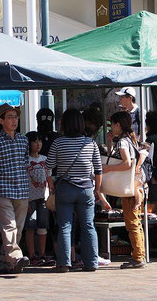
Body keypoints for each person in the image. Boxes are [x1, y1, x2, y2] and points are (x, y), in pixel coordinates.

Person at [46, 109, 102, 273]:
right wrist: (97, 190)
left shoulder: (58, 143)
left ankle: (64, 263)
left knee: (64, 226)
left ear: (65, 124)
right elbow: (98, 170)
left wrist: (51, 186)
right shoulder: (90, 143)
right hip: (86, 189)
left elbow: (48, 167)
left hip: (65, 189)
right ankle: (91, 262)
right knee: (88, 226)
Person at [0, 104, 30, 274]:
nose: (14, 120)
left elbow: (25, 162)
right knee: (8, 225)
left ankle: (7, 260)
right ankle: (16, 256)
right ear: (1, 121)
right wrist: (3, 176)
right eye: (10, 117)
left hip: (22, 189)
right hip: (3, 189)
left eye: (16, 117)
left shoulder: (23, 140)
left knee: (17, 227)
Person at [102, 111, 146, 269]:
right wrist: (109, 144)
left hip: (129, 187)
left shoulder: (123, 142)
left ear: (118, 125)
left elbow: (127, 164)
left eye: (112, 124)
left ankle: (138, 256)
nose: (111, 127)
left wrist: (107, 168)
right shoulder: (131, 139)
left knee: (132, 223)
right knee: (137, 223)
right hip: (137, 186)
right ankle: (139, 254)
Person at [24, 131, 55, 266]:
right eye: (35, 141)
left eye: (40, 141)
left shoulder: (44, 159)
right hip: (29, 198)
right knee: (30, 226)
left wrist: (52, 193)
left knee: (43, 226)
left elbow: (49, 178)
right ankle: (32, 255)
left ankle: (42, 254)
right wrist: (24, 200)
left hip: (43, 197)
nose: (38, 144)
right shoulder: (25, 161)